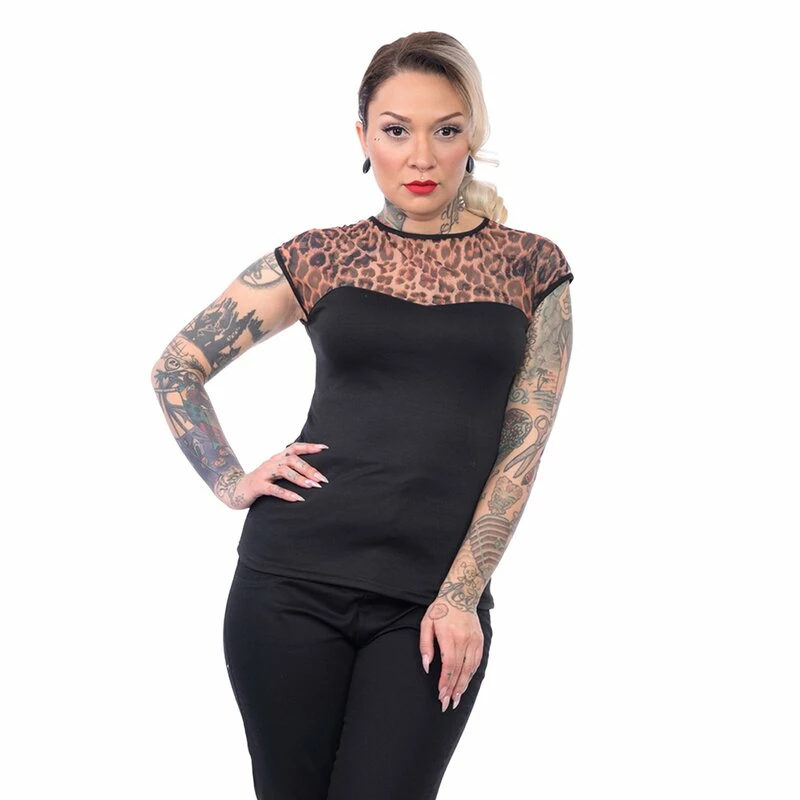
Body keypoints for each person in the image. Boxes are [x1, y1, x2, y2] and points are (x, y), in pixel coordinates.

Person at [151, 30, 574, 800]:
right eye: (396, 130)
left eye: (446, 129)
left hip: (428, 600)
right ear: (363, 138)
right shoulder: (323, 255)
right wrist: (231, 480)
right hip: (288, 583)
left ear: (472, 136)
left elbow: (524, 447)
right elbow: (178, 366)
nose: (422, 156)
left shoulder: (531, 267)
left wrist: (461, 594)